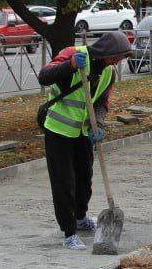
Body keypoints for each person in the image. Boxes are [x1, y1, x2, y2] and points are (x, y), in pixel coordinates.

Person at [37, 31, 132, 249]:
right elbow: (44, 76)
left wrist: (98, 124)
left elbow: (101, 103)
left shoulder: (109, 73)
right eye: (117, 56)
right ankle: (69, 232)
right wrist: (69, 65)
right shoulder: (73, 53)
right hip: (58, 131)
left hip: (81, 133)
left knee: (84, 179)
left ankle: (80, 217)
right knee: (64, 183)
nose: (119, 61)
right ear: (106, 51)